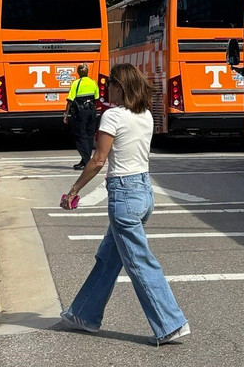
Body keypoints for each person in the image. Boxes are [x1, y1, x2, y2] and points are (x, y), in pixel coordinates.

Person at [58, 62, 190, 346]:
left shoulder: (113, 117)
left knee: (139, 262)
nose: (106, 90)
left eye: (110, 85)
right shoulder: (144, 115)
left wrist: (73, 190)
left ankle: (170, 324)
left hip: (124, 194)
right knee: (108, 258)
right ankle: (83, 314)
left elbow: (98, 160)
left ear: (121, 86)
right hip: (144, 192)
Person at [63, 63, 99, 169]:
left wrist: (66, 114)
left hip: (81, 112)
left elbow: (70, 100)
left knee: (80, 135)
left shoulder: (76, 83)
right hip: (92, 111)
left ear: (78, 72)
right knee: (89, 135)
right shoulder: (93, 82)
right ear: (87, 72)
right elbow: (96, 97)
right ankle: (84, 161)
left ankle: (87, 160)